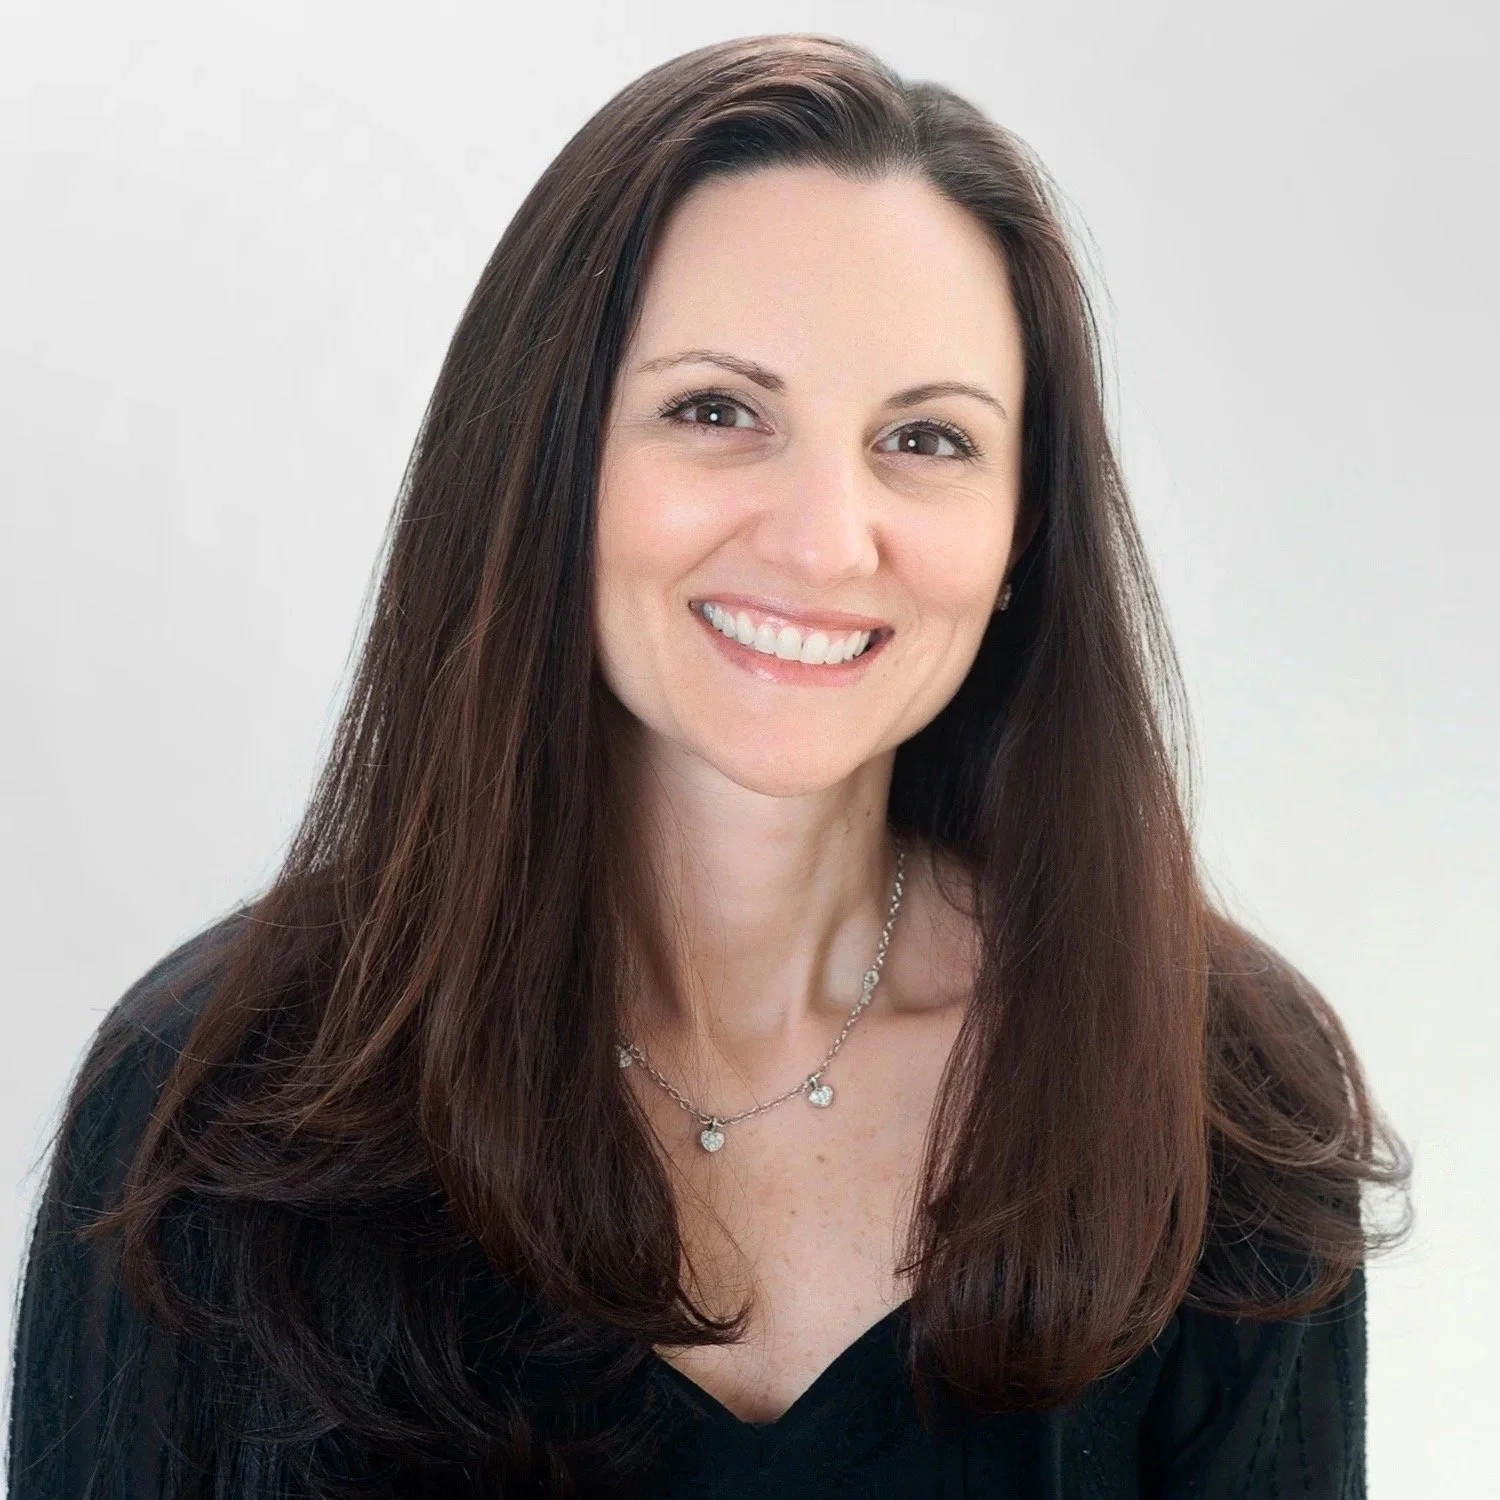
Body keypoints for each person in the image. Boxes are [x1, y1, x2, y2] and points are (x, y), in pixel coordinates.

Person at [8, 32, 1411, 1499]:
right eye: (717, 411)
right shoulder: (209, 1110)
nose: (821, 539)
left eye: (926, 438)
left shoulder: (1212, 1094)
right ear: (546, 461)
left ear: (1021, 540)